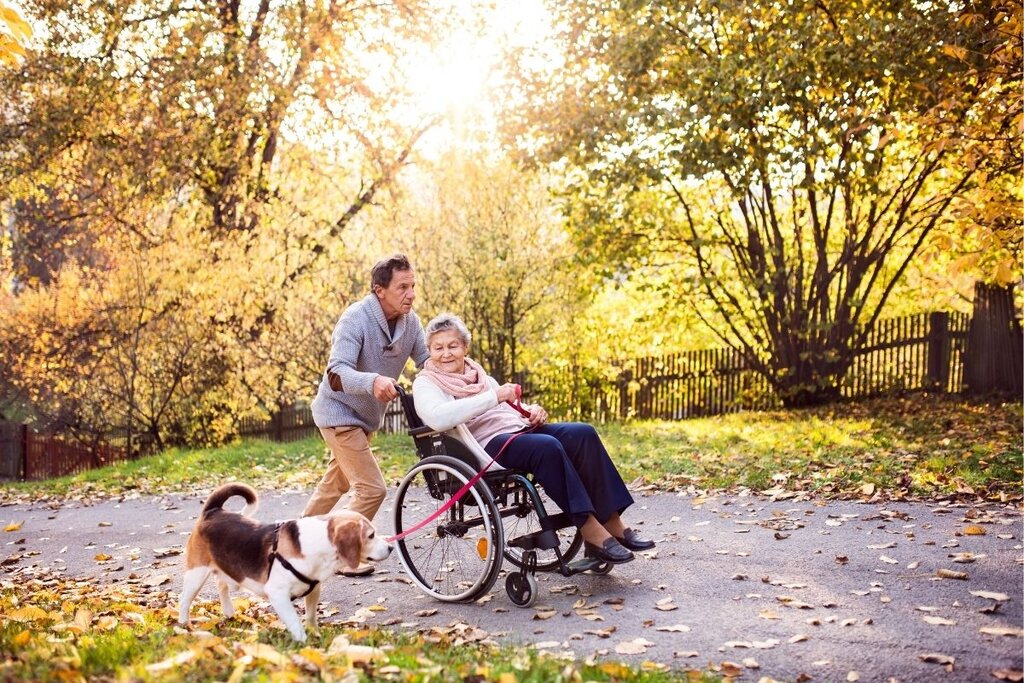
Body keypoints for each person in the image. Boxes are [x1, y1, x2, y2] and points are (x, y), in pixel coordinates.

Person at [412, 313, 654, 565]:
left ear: (465, 347)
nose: (446, 353)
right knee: (547, 448)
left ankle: (612, 522)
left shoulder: (479, 375)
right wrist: (493, 397)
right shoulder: (426, 384)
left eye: (452, 346)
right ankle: (591, 531)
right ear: (429, 351)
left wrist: (532, 411)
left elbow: (506, 408)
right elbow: (439, 419)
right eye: (438, 348)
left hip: (517, 429)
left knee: (582, 433)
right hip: (484, 447)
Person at [307, 254, 429, 576]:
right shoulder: (356, 319)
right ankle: (346, 556)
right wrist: (372, 381)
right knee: (372, 489)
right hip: (338, 413)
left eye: (413, 285)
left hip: (364, 419)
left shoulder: (411, 323)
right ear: (380, 290)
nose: (411, 293)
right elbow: (336, 373)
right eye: (403, 287)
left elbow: (427, 361)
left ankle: (292, 539)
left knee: (335, 486)